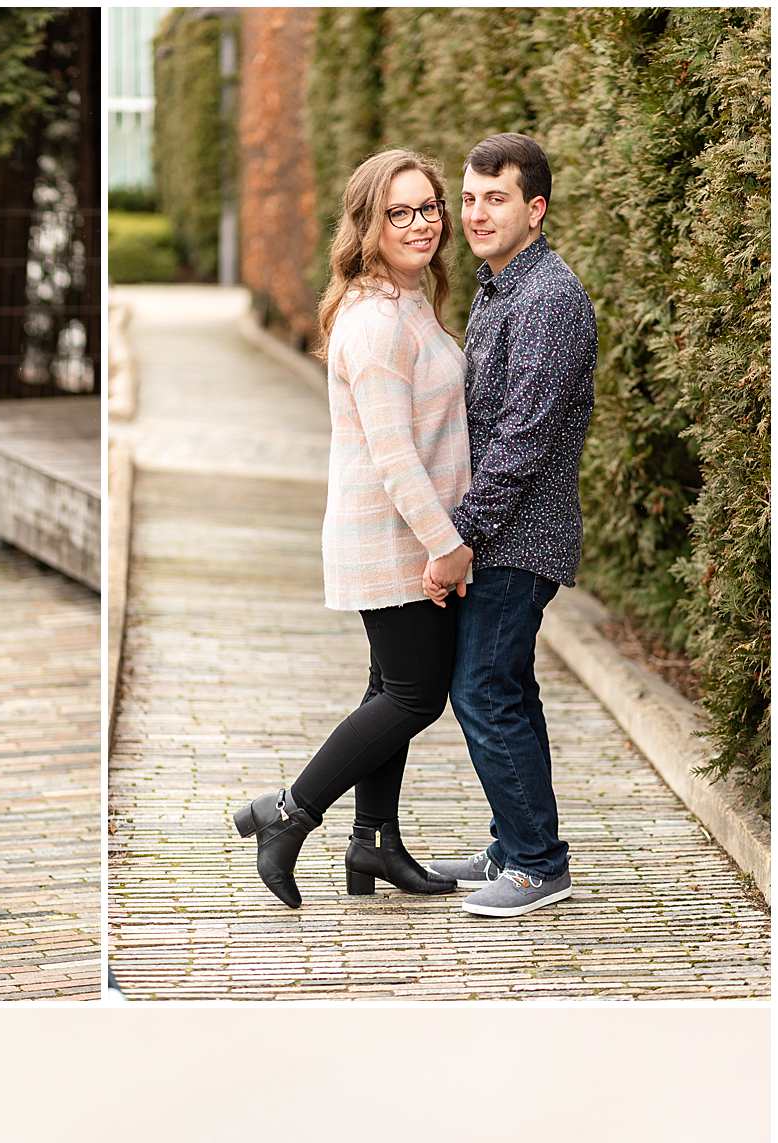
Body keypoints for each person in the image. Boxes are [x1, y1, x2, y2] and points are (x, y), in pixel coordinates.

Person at [233, 149, 469, 909]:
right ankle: (290, 812)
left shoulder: (409, 301)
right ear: (369, 226)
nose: (421, 224)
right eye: (400, 212)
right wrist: (446, 545)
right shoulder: (375, 322)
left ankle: (373, 842)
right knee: (415, 697)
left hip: (407, 535)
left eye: (429, 207)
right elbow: (393, 453)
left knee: (389, 690)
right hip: (394, 538)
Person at [423, 133, 596, 917]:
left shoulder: (549, 299)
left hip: (519, 537)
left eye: (496, 198)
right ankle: (515, 839)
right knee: (510, 690)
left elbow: (522, 439)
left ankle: (537, 864)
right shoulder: (500, 289)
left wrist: (459, 538)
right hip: (500, 532)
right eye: (469, 199)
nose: (476, 214)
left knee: (482, 691)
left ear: (536, 209)